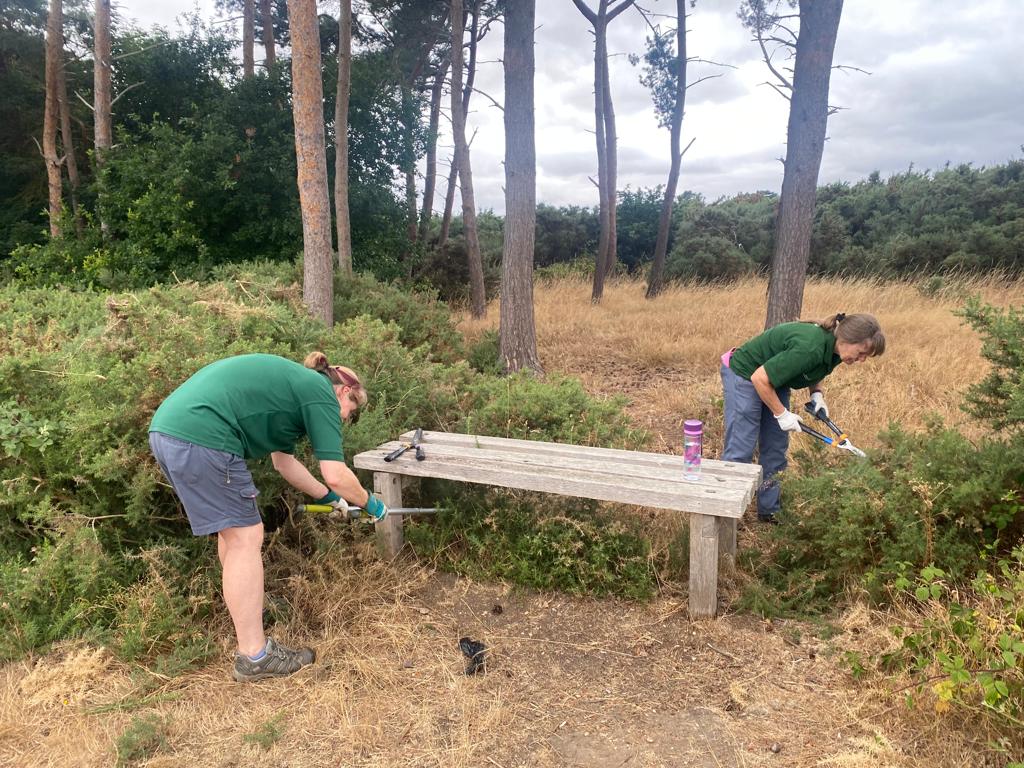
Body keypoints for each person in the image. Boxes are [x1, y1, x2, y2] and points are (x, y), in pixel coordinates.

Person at [148, 351, 389, 682]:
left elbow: (284, 464)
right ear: (344, 391)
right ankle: (255, 656)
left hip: (169, 431)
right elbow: (335, 473)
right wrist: (371, 504)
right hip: (203, 436)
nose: (347, 419)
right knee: (246, 538)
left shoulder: (296, 389)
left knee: (233, 537)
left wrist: (332, 499)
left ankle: (247, 635)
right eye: (352, 411)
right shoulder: (320, 392)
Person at [720, 313, 885, 523]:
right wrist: (781, 414)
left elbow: (815, 368)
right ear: (847, 339)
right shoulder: (810, 347)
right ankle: (727, 516)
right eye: (861, 353)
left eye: (865, 356)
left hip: (774, 380)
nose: (861, 360)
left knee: (776, 447)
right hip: (745, 373)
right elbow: (759, 378)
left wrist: (816, 394)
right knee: (742, 447)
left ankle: (769, 511)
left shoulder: (837, 351)